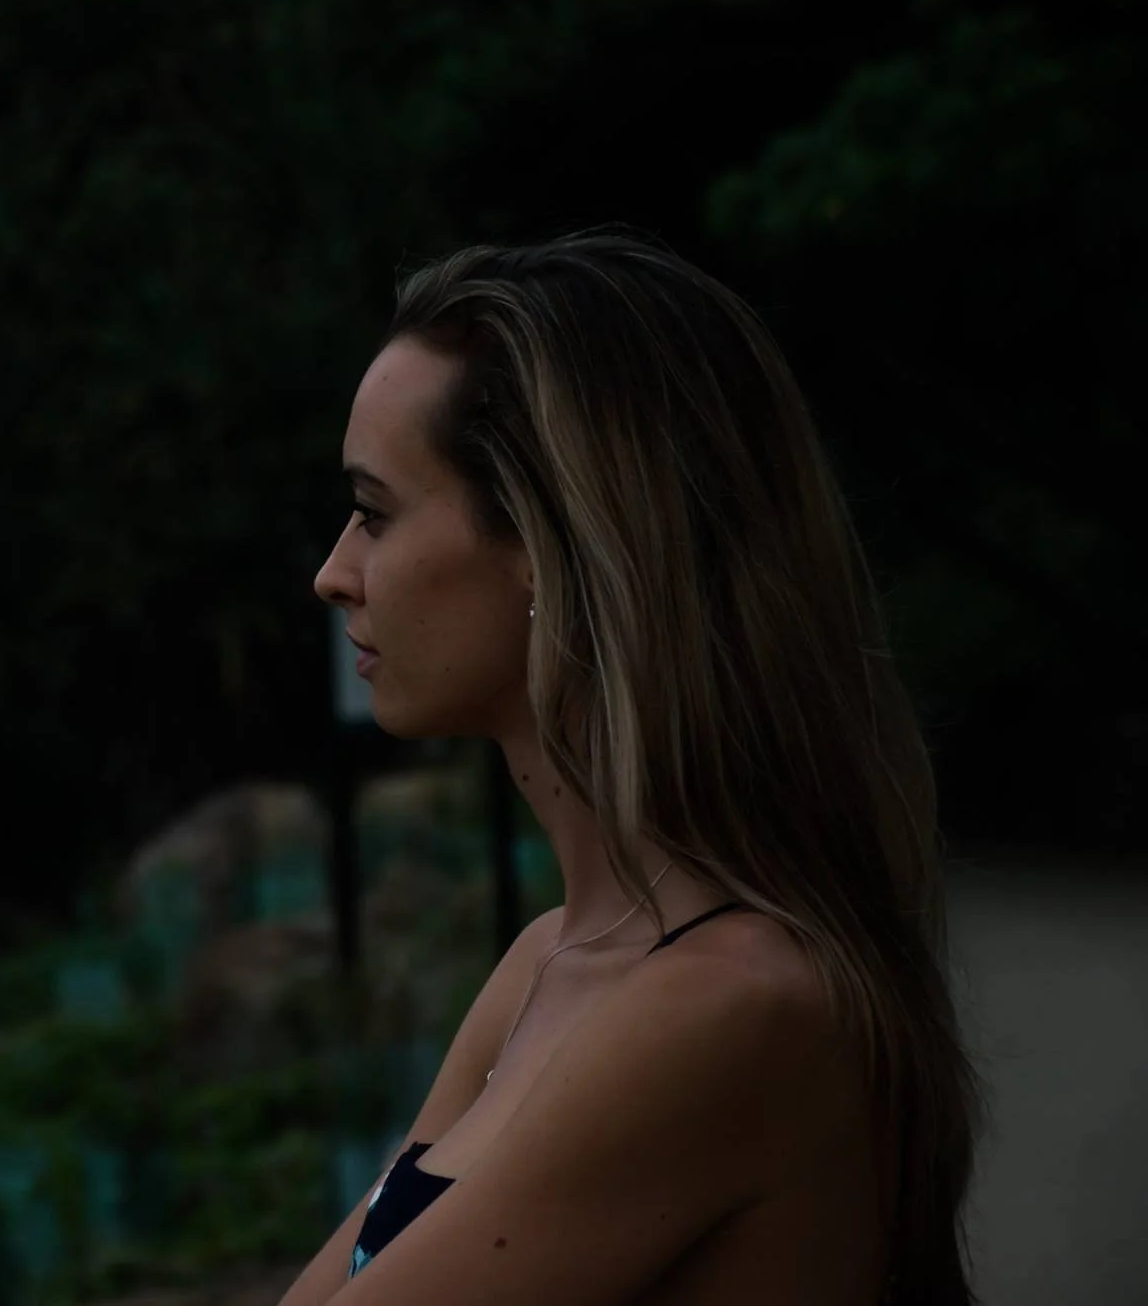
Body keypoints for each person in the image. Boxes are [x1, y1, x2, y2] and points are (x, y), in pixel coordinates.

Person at [283, 229, 980, 1305]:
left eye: (374, 514)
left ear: (548, 546)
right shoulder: (547, 964)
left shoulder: (730, 1007)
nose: (333, 573)